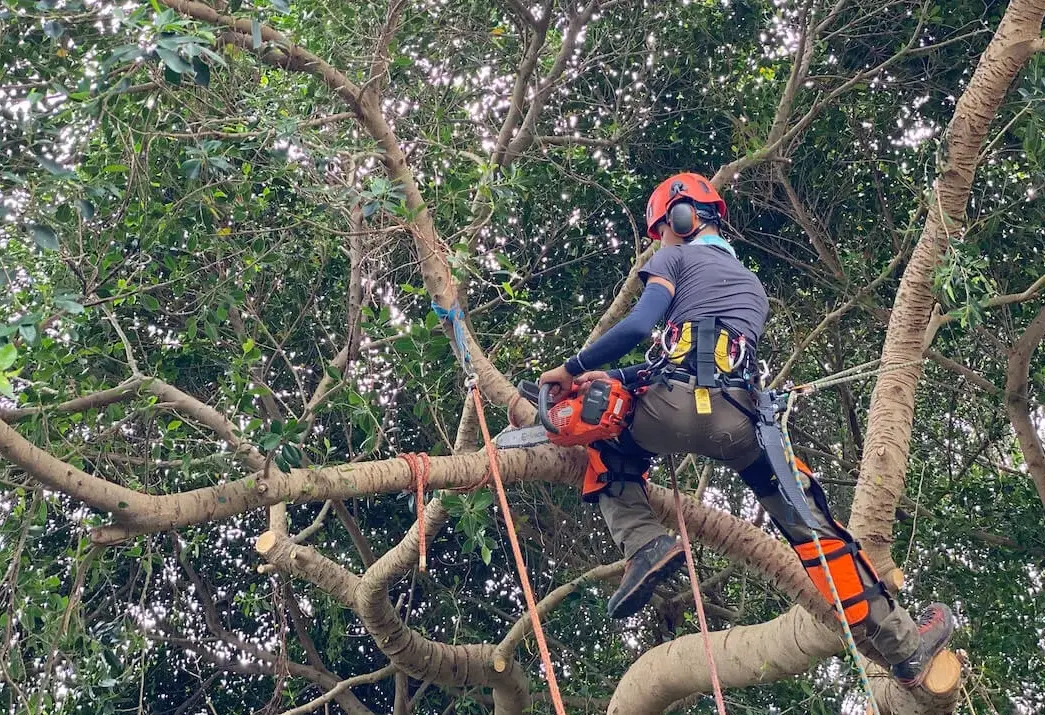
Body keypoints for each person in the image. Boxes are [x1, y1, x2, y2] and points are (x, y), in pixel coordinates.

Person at [538, 172, 954, 687]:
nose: (660, 243)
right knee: (816, 531)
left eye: (661, 231)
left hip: (670, 409)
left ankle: (644, 543)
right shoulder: (751, 285)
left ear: (682, 219)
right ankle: (904, 648)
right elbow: (690, 351)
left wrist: (573, 369)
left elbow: (640, 327)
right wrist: (616, 377)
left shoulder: (673, 259)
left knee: (604, 443)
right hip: (740, 422)